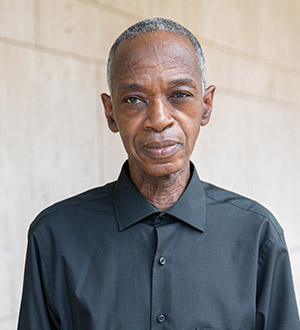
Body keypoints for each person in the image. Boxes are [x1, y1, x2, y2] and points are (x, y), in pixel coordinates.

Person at [18, 18, 299, 330]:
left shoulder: (258, 235)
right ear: (111, 113)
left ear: (206, 105)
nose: (159, 119)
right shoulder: (54, 237)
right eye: (134, 99)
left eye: (178, 95)